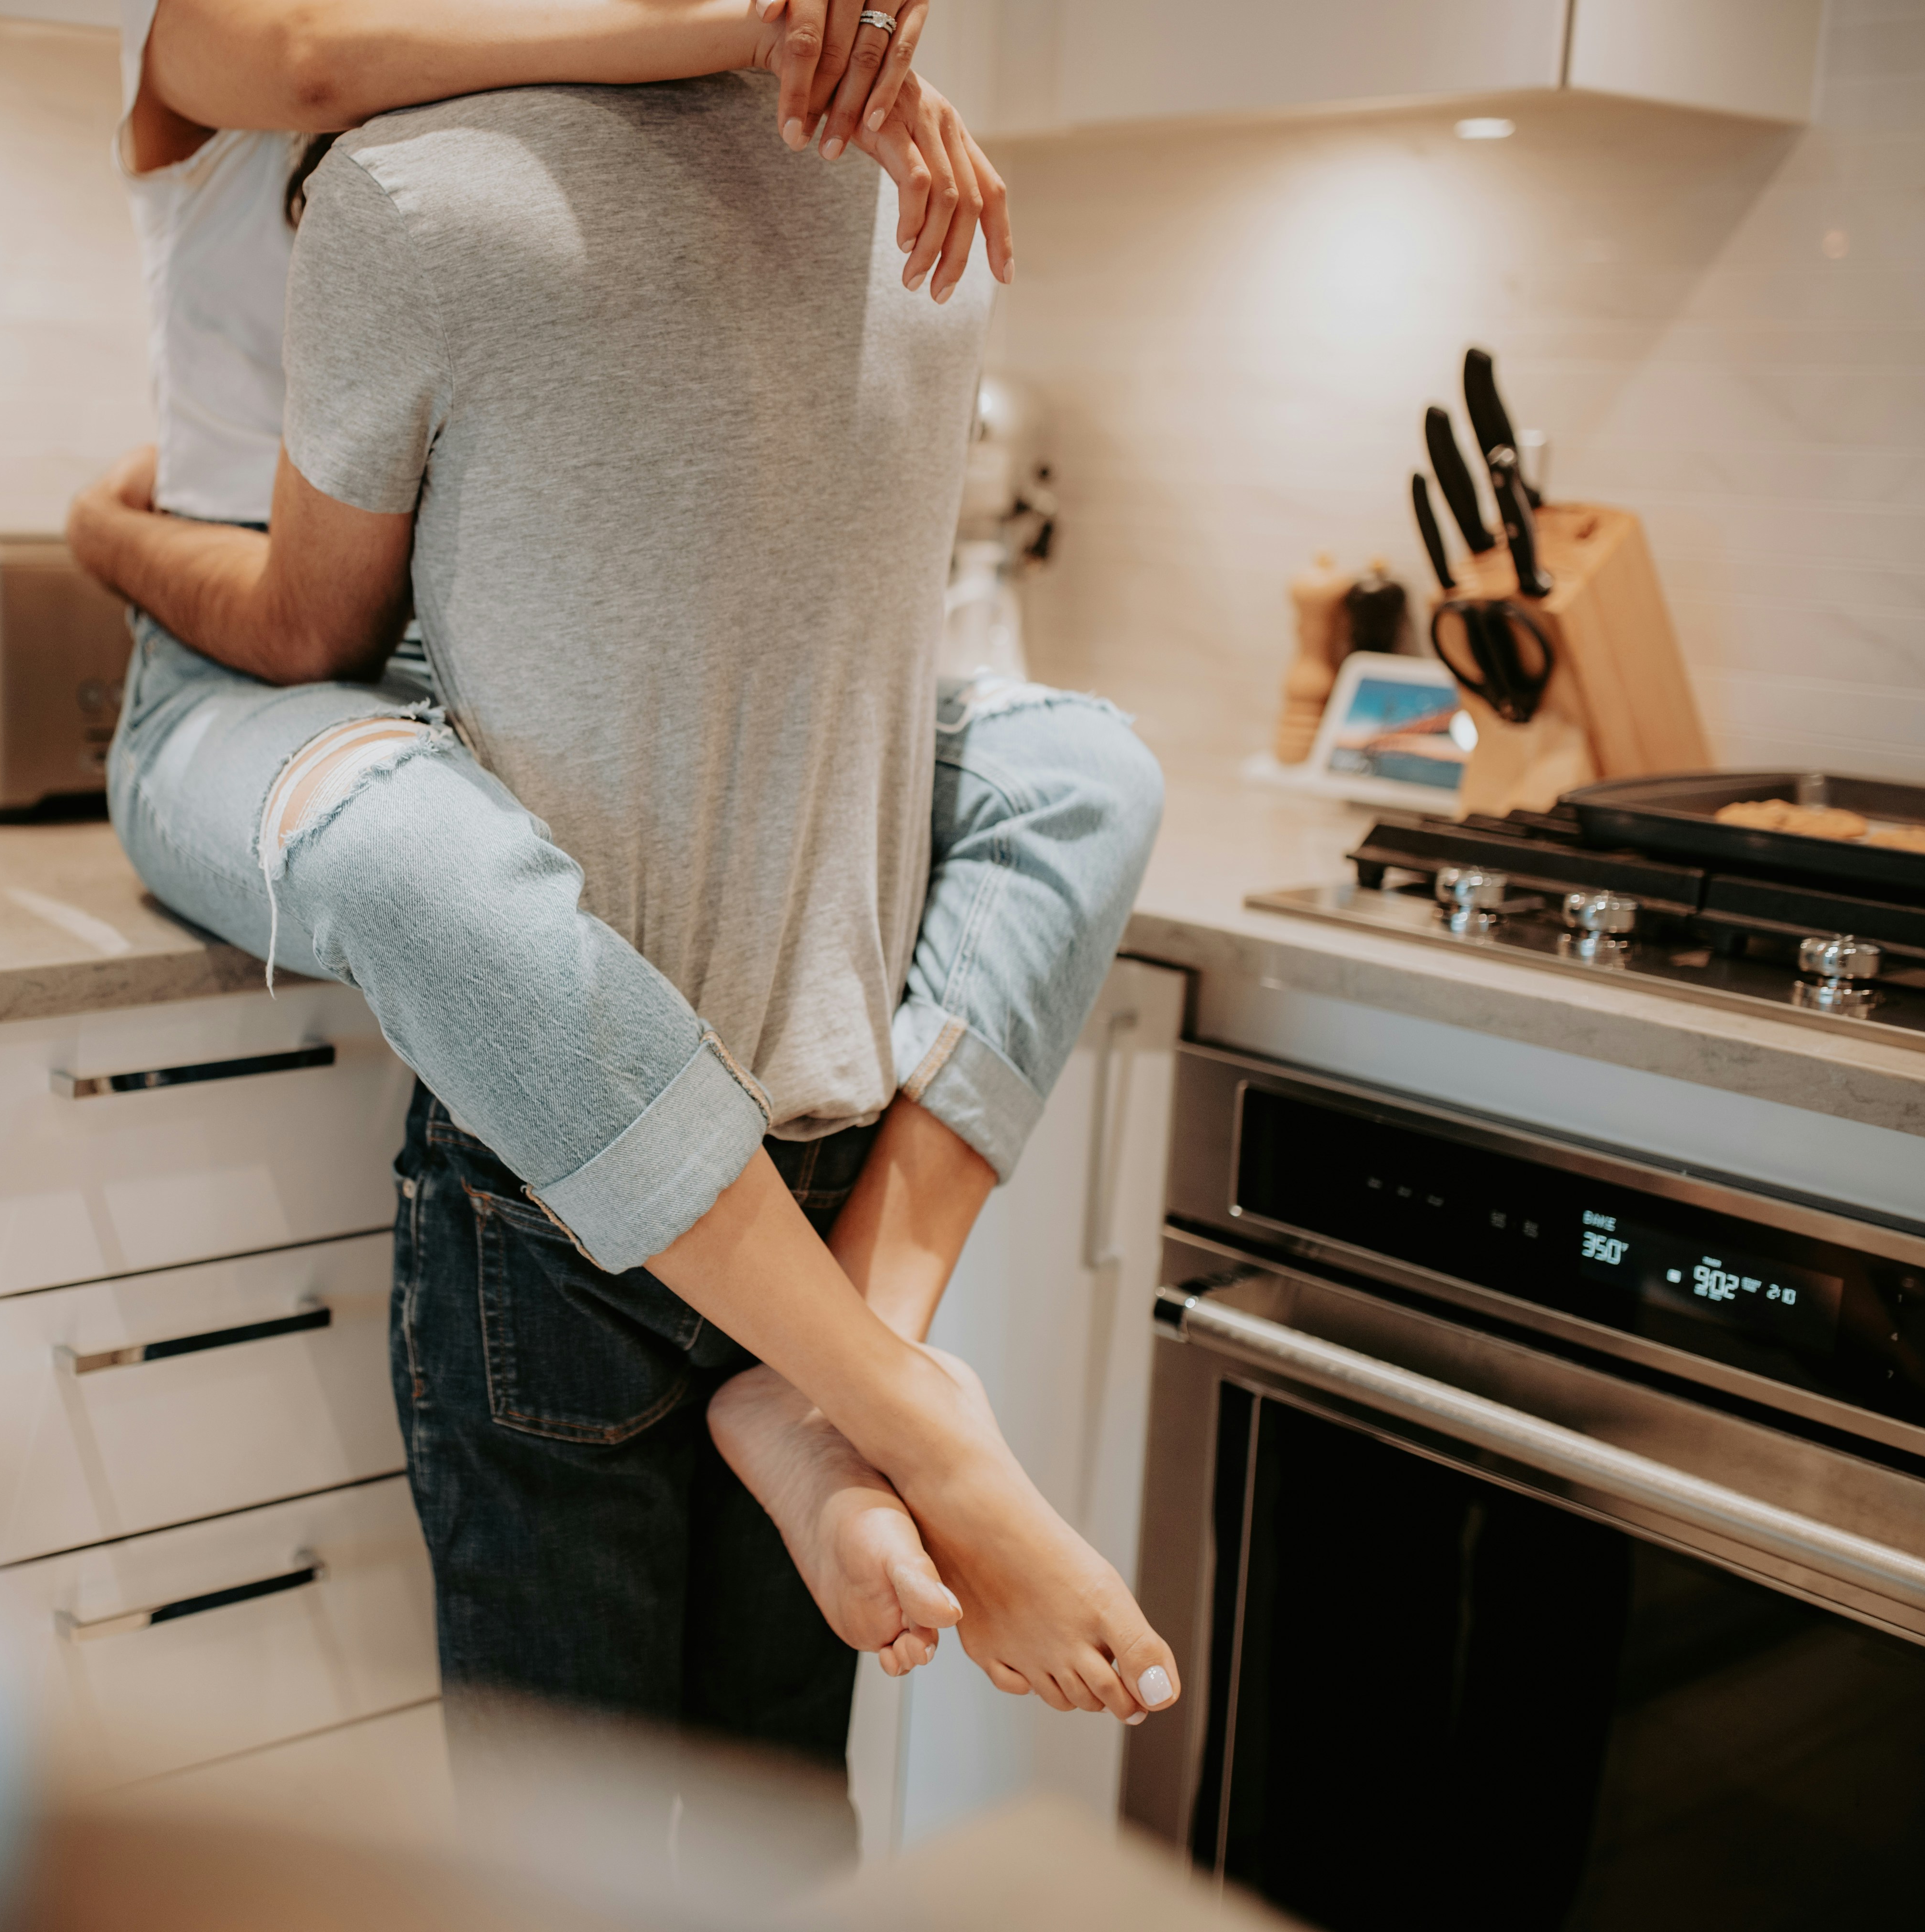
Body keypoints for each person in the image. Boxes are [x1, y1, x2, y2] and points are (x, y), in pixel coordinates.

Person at [71, 7, 1178, 1766]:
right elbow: (314, 75)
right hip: (250, 663)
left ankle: (817, 1388)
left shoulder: (653, 139)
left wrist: (822, 58)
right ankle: (900, 1403)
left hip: (399, 637)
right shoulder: (328, 101)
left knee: (1084, 772)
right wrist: (102, 533)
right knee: (424, 855)